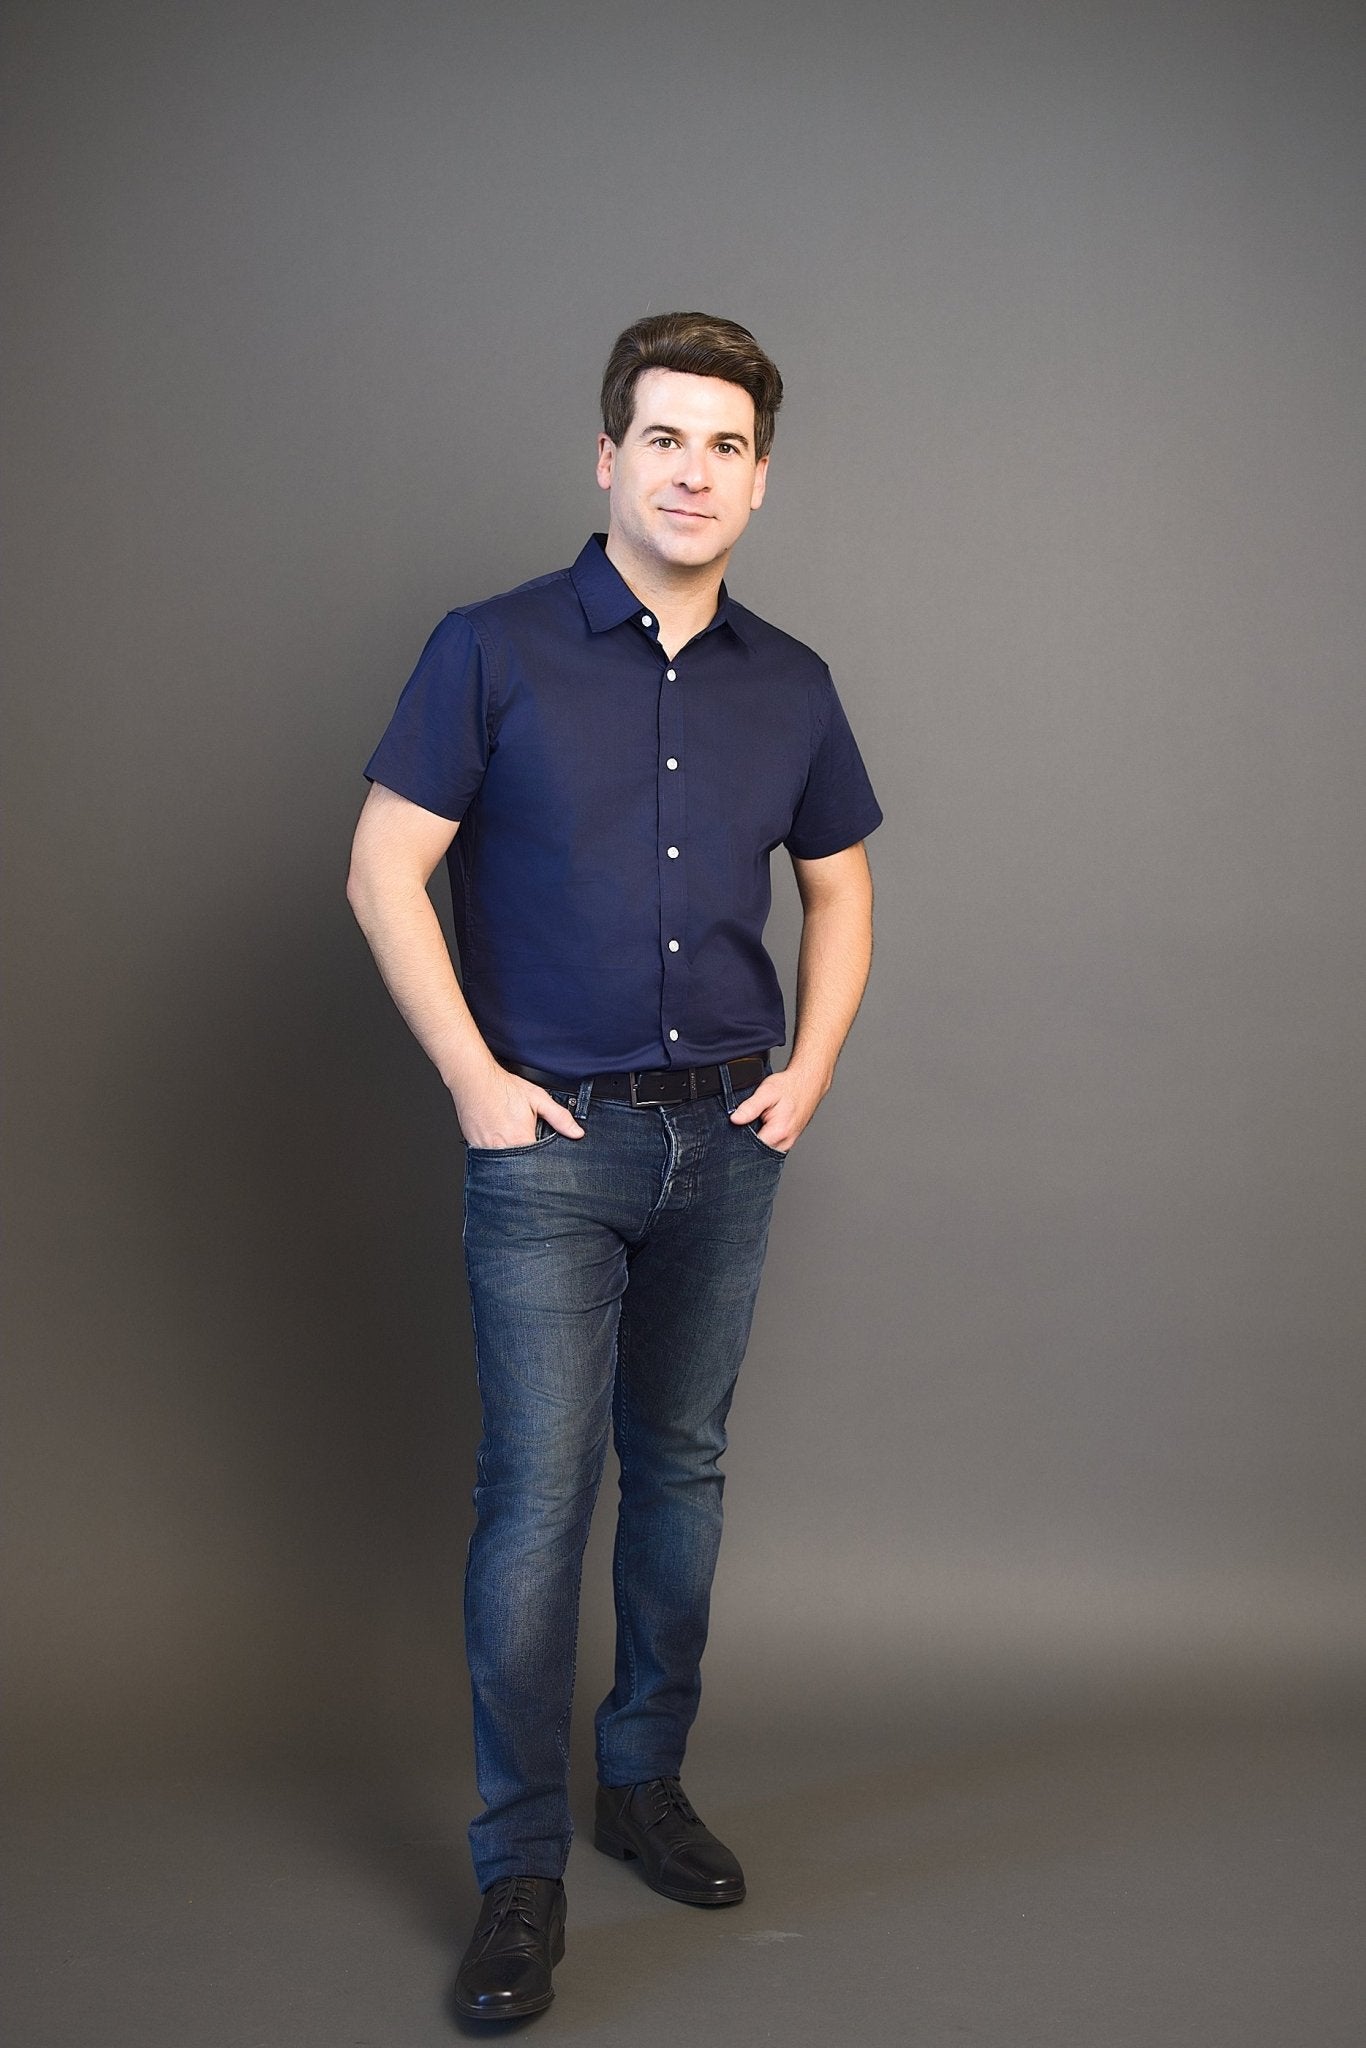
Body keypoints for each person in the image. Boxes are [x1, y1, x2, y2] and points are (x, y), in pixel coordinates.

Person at [346, 312, 882, 2021]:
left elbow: (840, 887)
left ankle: (642, 1783)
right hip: (548, 1148)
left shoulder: (791, 683)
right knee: (536, 1499)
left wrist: (809, 1069)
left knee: (682, 1474)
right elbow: (381, 867)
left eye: (725, 446)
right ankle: (519, 1868)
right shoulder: (489, 648)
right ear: (606, 457)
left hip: (726, 1143)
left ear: (759, 479)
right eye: (664, 437)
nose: (692, 472)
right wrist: (471, 1080)